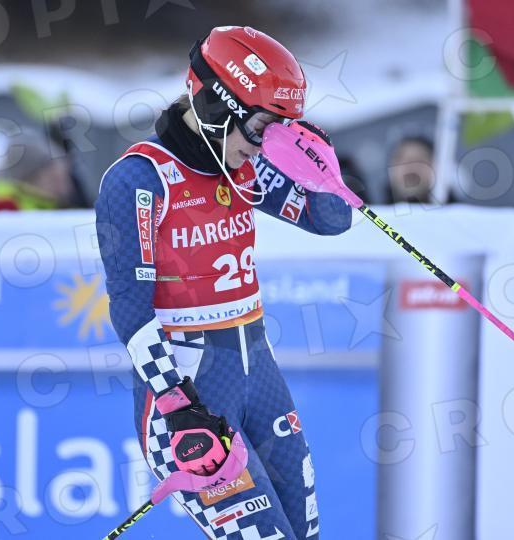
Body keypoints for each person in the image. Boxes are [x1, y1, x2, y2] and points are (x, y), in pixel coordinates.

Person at [95, 26, 352, 539]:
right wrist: (178, 404)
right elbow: (129, 307)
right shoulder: (140, 179)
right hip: (190, 402)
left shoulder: (242, 169)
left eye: (276, 131)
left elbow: (330, 218)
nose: (261, 147)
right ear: (218, 105)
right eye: (260, 128)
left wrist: (314, 156)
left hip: (259, 379)